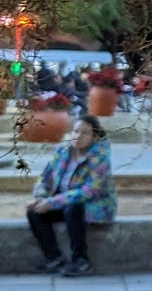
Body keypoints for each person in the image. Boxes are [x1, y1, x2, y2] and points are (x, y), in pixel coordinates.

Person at [26, 115, 117, 277]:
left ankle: (81, 260)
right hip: (62, 202)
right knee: (33, 211)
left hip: (93, 206)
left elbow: (91, 191)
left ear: (95, 137)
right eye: (75, 131)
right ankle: (54, 258)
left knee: (72, 208)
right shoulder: (62, 151)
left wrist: (52, 202)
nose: (78, 136)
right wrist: (41, 197)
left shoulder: (99, 158)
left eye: (85, 133)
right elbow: (45, 178)